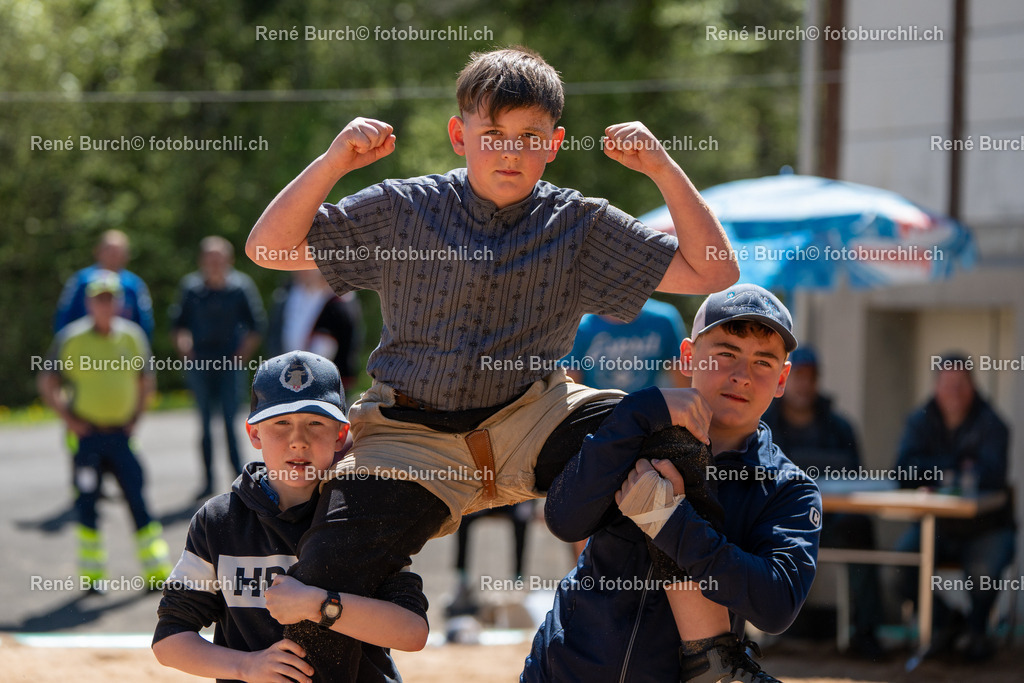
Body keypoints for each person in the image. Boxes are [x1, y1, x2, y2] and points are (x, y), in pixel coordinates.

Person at [245, 45, 739, 680]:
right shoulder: (404, 209)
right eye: (493, 135)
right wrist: (335, 159)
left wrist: (663, 169)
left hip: (533, 415)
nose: (510, 152)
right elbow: (267, 247)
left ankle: (711, 659)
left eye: (529, 137)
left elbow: (713, 272)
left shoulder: (579, 224)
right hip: (406, 435)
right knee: (322, 581)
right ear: (460, 135)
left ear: (554, 143)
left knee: (668, 444)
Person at [523, 284, 822, 682]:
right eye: (725, 354)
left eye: (763, 363)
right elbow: (564, 518)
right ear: (686, 356)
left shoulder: (788, 489)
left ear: (782, 378)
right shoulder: (635, 431)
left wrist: (669, 521)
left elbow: (776, 605)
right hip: (561, 672)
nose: (742, 377)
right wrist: (639, 409)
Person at [153, 351, 428, 683]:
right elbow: (169, 639)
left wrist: (319, 605)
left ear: (340, 435)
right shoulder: (219, 521)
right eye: (281, 423)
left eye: (315, 423)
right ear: (254, 433)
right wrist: (247, 666)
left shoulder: (362, 515)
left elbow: (412, 631)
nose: (298, 441)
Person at [37, 270, 171, 589]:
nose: (105, 305)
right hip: (87, 437)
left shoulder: (131, 336)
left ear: (120, 304)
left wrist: (136, 417)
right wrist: (69, 420)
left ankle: (155, 571)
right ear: (89, 303)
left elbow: (145, 380)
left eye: (111, 299)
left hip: (121, 436)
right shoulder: (71, 338)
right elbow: (48, 380)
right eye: (99, 299)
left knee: (137, 498)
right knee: (87, 502)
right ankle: (92, 575)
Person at [762, 347, 884, 659]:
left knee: (860, 529)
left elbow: (855, 479)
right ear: (784, 379)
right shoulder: (763, 424)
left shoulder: (840, 426)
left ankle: (865, 632)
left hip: (832, 522)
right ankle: (750, 635)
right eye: (798, 377)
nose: (804, 385)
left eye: (811, 378)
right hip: (780, 522)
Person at [893, 352, 1015, 662]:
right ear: (936, 387)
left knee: (984, 570)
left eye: (961, 385)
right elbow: (903, 470)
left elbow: (991, 475)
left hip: (986, 527)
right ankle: (947, 624)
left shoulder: (992, 423)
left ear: (973, 386)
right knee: (900, 567)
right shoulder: (920, 419)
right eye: (948, 385)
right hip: (937, 525)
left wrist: (935, 470)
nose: (955, 393)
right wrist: (954, 467)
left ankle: (976, 633)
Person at [171, 236, 266, 501]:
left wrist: (241, 355)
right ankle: (207, 480)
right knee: (203, 423)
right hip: (200, 363)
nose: (214, 263)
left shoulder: (240, 287)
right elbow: (178, 325)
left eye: (219, 257)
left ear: (229, 259)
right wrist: (185, 351)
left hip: (230, 364)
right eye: (210, 257)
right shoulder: (191, 288)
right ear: (202, 260)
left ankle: (239, 478)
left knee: (230, 421)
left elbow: (256, 325)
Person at [266, 268, 363, 392]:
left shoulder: (338, 303)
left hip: (320, 378)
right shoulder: (290, 291)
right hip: (291, 371)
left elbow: (324, 348)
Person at [565, 298, 688, 392]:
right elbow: (572, 389)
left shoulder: (663, 320)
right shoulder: (580, 327)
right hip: (596, 415)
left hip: (647, 415)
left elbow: (684, 384)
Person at [54, 229, 155, 339]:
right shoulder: (82, 281)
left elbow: (145, 323)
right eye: (109, 250)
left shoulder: (134, 285)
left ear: (127, 255)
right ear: (98, 251)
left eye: (118, 251)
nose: (113, 255)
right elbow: (64, 316)